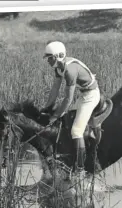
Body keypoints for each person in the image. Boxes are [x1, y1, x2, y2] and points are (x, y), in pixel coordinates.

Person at [42, 41, 101, 178]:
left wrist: (56, 116)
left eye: (50, 58)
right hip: (83, 95)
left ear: (58, 56)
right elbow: (55, 90)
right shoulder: (59, 68)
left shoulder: (69, 70)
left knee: (76, 131)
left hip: (91, 96)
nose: (48, 61)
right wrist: (46, 108)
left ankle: (80, 170)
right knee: (67, 123)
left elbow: (68, 99)